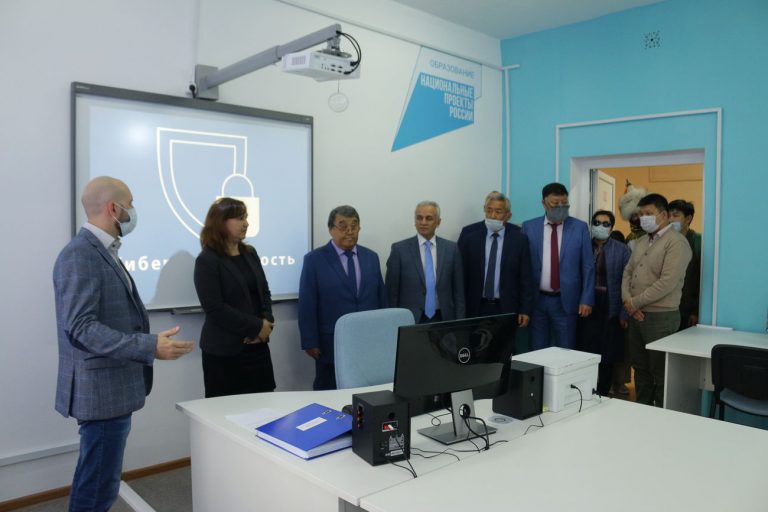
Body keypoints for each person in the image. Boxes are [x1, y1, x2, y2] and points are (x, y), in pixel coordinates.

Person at [53, 176, 194, 512]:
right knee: (97, 486)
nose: (134, 210)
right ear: (113, 208)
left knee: (101, 479)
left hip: (112, 387)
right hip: (101, 391)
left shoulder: (102, 250)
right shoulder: (81, 254)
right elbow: (81, 328)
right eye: (130, 203)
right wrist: (148, 346)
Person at [193, 197, 276, 398]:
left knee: (265, 405)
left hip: (258, 347)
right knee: (225, 410)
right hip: (224, 352)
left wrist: (266, 323)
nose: (246, 223)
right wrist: (256, 327)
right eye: (240, 218)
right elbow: (215, 308)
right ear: (221, 222)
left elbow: (264, 291)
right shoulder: (207, 260)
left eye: (245, 218)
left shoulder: (250, 253)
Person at [298, 205, 387, 390]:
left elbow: (381, 298)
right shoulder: (314, 260)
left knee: (368, 390)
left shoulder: (371, 257)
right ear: (331, 229)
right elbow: (307, 303)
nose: (349, 231)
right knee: (329, 391)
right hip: (331, 342)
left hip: (368, 340)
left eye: (354, 226)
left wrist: (385, 334)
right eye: (343, 226)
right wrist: (310, 341)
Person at [622, 193, 692, 407]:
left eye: (648, 214)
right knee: (640, 368)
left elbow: (667, 282)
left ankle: (661, 416)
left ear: (663, 215)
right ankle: (641, 411)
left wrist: (635, 303)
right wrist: (628, 301)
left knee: (661, 373)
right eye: (641, 214)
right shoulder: (642, 241)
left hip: (661, 318)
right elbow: (628, 272)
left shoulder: (677, 243)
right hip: (636, 315)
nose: (643, 218)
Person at [521, 183, 594, 349]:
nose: (560, 207)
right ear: (543, 203)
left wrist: (587, 299)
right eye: (555, 203)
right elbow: (522, 267)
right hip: (537, 300)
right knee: (537, 350)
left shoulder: (579, 228)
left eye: (564, 203)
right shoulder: (529, 227)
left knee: (566, 348)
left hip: (567, 301)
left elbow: (588, 266)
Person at [457, 191, 533, 332]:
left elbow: (526, 277)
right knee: (475, 344)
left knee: (504, 344)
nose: (492, 216)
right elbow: (460, 273)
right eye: (489, 210)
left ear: (508, 215)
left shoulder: (519, 238)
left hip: (506, 307)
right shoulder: (469, 234)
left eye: (498, 212)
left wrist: (525, 309)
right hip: (476, 306)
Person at [576, 210, 630, 395]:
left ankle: (603, 393)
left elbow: (627, 282)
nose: (601, 226)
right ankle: (584, 392)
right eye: (597, 223)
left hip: (611, 306)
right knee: (585, 350)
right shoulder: (583, 246)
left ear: (612, 228)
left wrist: (624, 312)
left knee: (607, 354)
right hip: (585, 304)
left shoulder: (622, 250)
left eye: (606, 224)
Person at [385, 201, 465, 323]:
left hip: (443, 318)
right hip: (411, 319)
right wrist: (392, 322)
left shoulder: (451, 249)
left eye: (429, 218)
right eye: (419, 218)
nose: (423, 222)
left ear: (438, 222)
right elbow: (392, 293)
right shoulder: (399, 250)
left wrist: (460, 322)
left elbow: (459, 292)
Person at [668, 199, 702, 330]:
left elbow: (702, 279)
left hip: (687, 310)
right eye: (669, 215)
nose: (671, 219)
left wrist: (696, 311)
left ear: (688, 219)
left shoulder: (697, 241)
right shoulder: (667, 241)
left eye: (675, 215)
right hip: (667, 309)